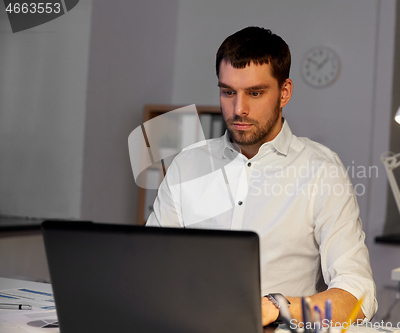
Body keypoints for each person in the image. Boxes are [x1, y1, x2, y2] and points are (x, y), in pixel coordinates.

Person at [146, 26, 377, 326]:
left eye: (255, 93)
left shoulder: (323, 172)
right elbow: (151, 267)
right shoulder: (187, 165)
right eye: (228, 92)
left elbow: (357, 298)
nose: (238, 109)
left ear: (284, 92)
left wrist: (277, 307)